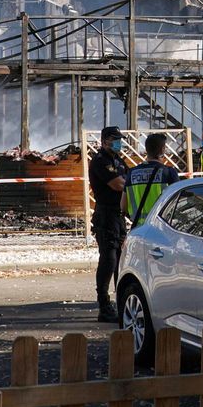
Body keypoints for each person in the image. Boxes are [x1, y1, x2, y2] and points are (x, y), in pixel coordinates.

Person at [88, 125, 131, 322]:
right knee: (109, 259)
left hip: (118, 215)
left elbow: (129, 179)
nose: (118, 142)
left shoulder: (118, 160)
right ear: (104, 141)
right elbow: (120, 184)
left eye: (119, 139)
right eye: (114, 139)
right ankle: (104, 304)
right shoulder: (100, 161)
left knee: (120, 260)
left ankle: (121, 302)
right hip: (106, 215)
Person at [123, 132, 183, 228]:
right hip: (161, 228)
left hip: (138, 229)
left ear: (146, 149)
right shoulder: (168, 172)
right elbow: (180, 202)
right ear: (163, 149)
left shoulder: (132, 173)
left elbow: (123, 206)